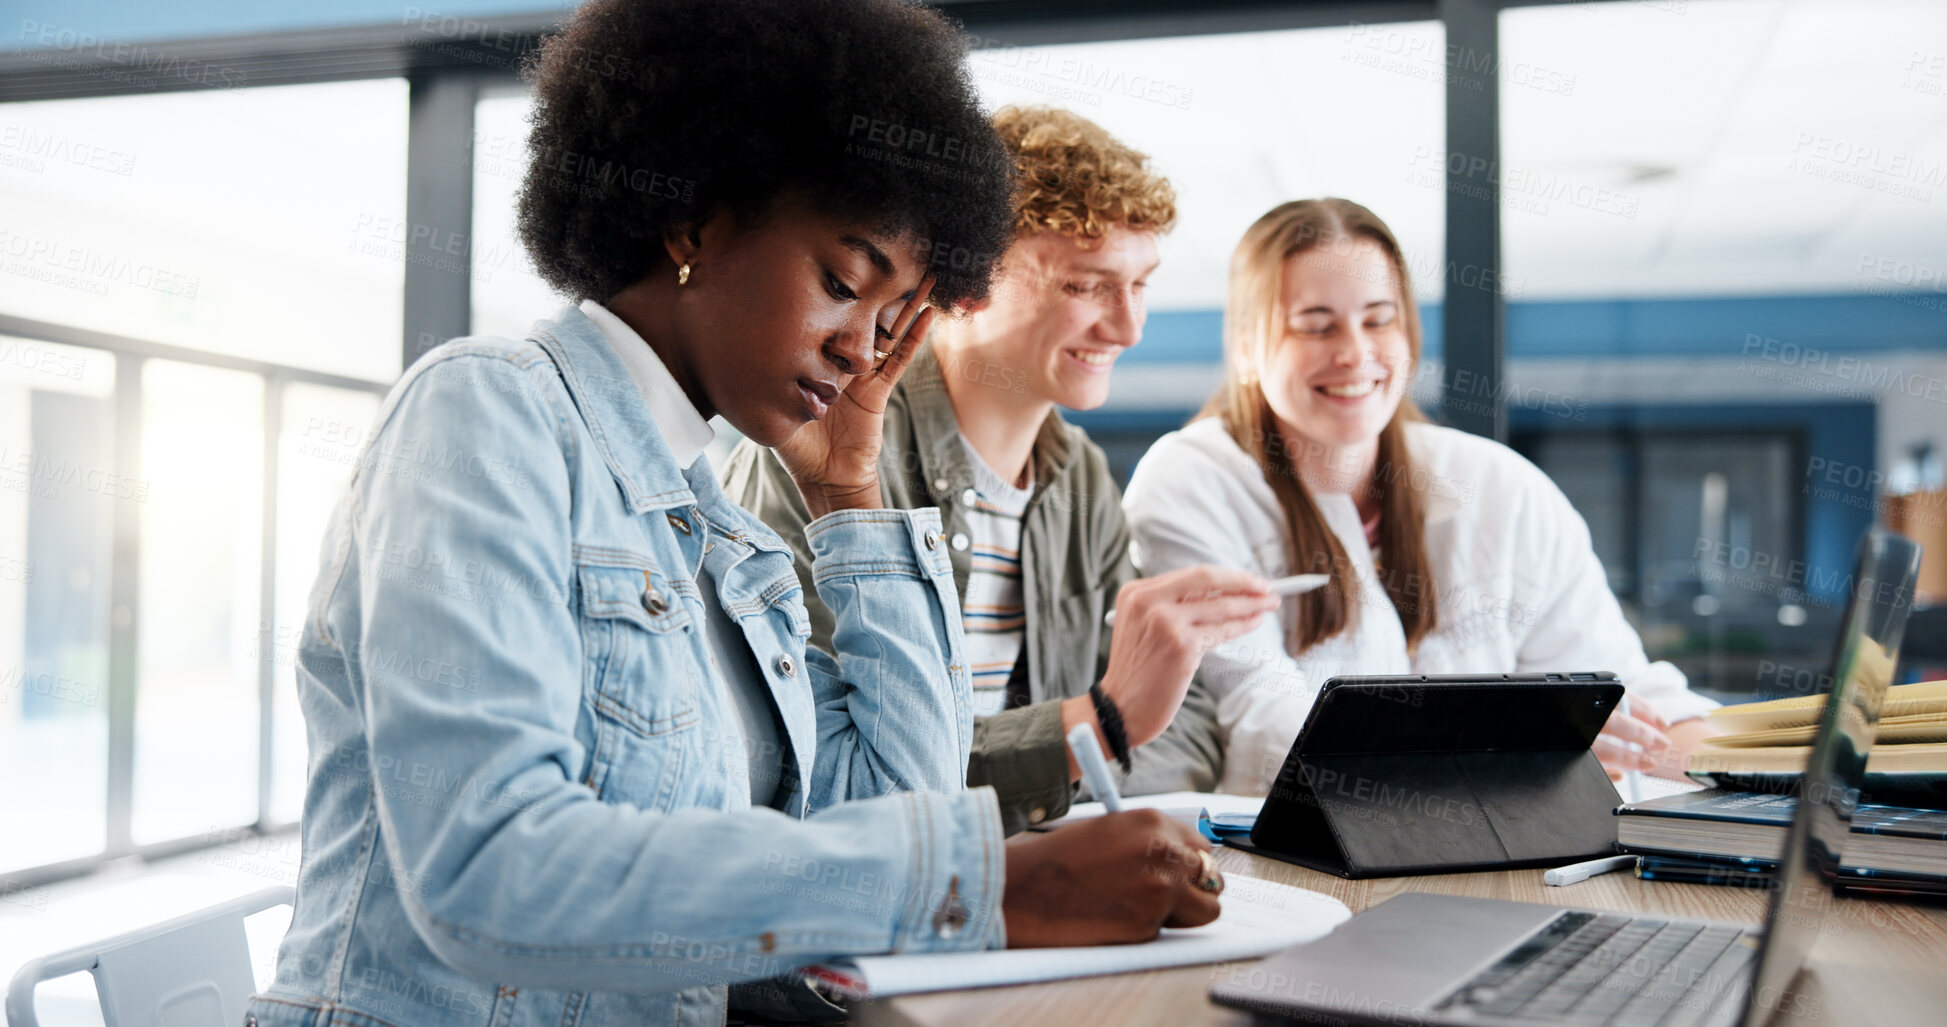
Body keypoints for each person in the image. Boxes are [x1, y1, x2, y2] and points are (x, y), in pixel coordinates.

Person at [246, 5, 1225, 1027]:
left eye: (891, 322)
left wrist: (851, 492)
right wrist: (989, 882)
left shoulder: (720, 529)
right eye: (843, 283)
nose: (862, 348)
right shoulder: (487, 411)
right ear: (694, 223)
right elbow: (492, 867)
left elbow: (901, 807)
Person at [725, 106, 1275, 835]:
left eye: (1139, 284)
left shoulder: (1078, 480)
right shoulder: (818, 455)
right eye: (1084, 286)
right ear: (964, 280)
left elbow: (1185, 728)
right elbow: (820, 767)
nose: (1128, 327)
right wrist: (1095, 728)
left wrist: (1064, 766)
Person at [1122, 198, 1723, 797]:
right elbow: (1269, 720)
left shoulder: (1496, 484)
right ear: (1248, 348)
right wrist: (1516, 737)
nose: (1355, 353)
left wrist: (1740, 764)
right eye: (1317, 325)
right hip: (1299, 866)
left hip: (1504, 863)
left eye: (1379, 319)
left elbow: (1621, 693)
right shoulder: (1193, 480)